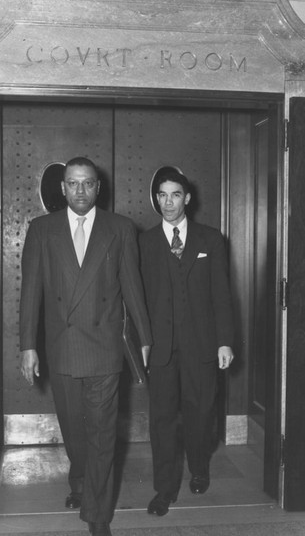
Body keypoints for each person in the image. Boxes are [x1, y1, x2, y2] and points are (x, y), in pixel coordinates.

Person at [19, 157, 152, 536]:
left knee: (102, 434)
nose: (80, 191)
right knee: (75, 434)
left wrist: (144, 338)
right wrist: (28, 345)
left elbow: (133, 289)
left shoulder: (120, 228)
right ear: (62, 188)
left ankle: (97, 515)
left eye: (87, 183)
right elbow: (31, 293)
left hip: (105, 349)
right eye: (73, 184)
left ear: (99, 188)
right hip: (61, 349)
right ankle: (80, 481)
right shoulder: (41, 230)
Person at [139, 166, 234, 517]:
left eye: (175, 194)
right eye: (162, 195)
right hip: (162, 349)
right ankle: (164, 490)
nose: (168, 202)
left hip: (202, 346)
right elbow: (139, 299)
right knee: (162, 420)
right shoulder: (144, 243)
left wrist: (225, 341)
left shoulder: (211, 240)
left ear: (187, 198)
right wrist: (143, 343)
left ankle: (199, 467)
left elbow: (222, 295)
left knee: (200, 414)